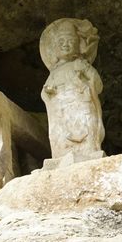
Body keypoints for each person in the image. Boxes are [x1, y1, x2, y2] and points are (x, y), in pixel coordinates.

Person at [39, 18, 105, 164]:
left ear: (79, 45)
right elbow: (45, 94)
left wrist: (86, 78)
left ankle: (89, 152)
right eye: (61, 42)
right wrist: (48, 92)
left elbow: (98, 86)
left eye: (70, 41)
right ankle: (60, 157)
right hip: (61, 109)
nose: (66, 45)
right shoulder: (54, 73)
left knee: (85, 127)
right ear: (54, 48)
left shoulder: (81, 65)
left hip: (81, 105)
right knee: (60, 133)